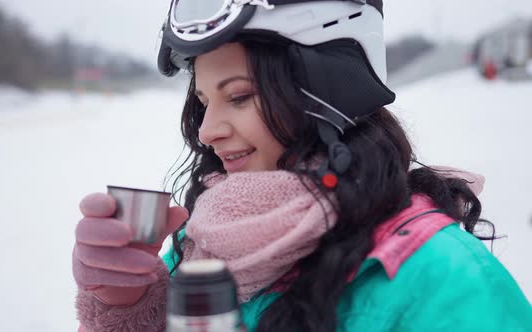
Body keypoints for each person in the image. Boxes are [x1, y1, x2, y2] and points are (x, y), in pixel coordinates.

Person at [72, 1, 532, 331]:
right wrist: (126, 306)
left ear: (329, 93)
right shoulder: (204, 246)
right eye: (203, 102)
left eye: (239, 96)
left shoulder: (442, 278)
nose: (208, 130)